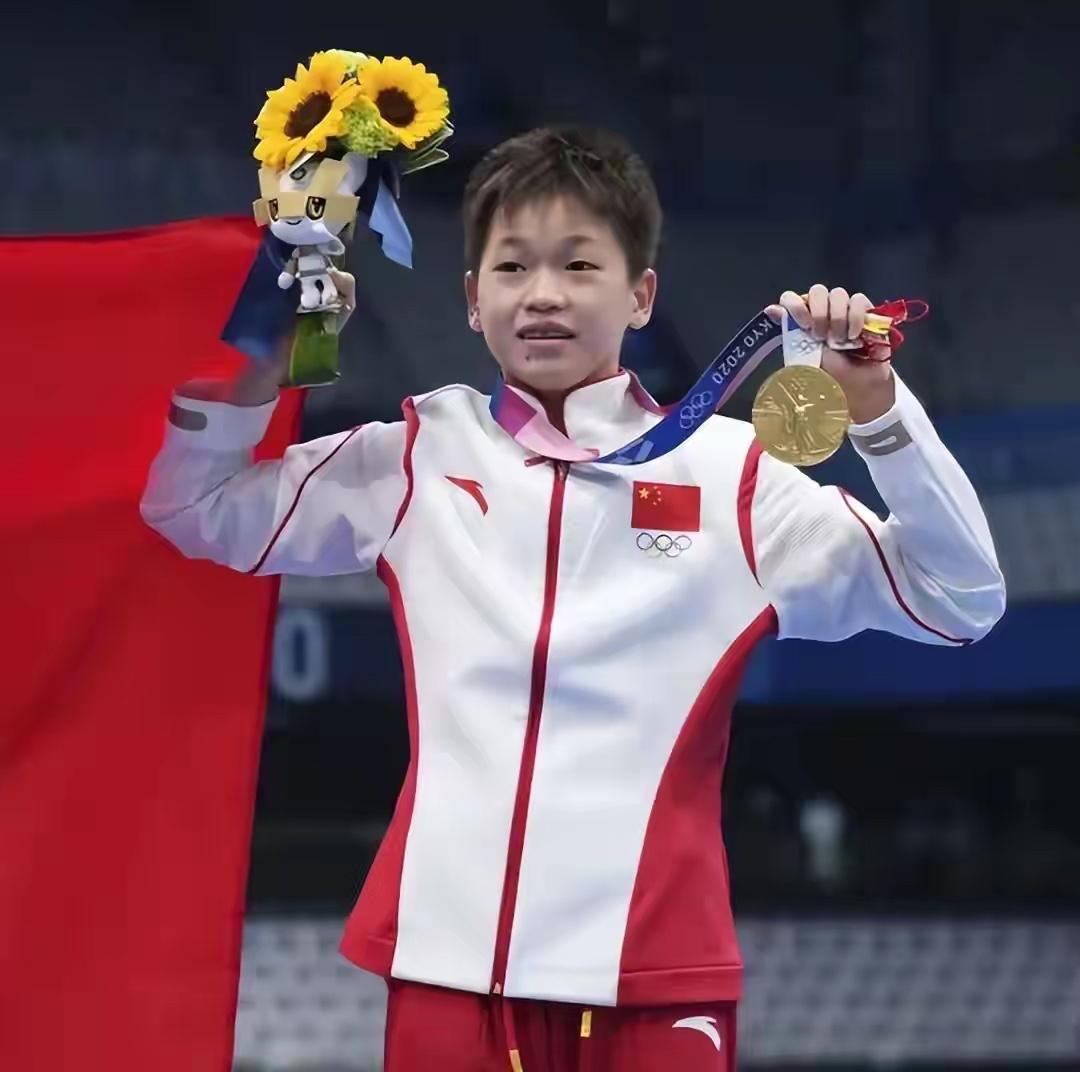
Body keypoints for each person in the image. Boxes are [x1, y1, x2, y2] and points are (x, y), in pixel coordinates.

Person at [140, 125, 1006, 1072]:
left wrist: (880, 411)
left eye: (579, 264)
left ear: (641, 295)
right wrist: (260, 364)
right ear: (473, 300)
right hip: (446, 971)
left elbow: (959, 598)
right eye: (512, 266)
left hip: (653, 981)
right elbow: (194, 509)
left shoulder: (735, 480)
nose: (543, 293)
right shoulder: (419, 456)